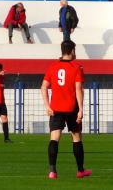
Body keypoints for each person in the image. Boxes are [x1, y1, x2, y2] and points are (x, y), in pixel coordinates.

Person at [41, 40, 91, 179]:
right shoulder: (76, 67)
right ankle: (80, 170)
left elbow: (43, 87)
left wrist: (47, 106)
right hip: (71, 108)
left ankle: (52, 171)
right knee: (76, 137)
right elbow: (78, 89)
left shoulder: (53, 67)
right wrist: (81, 109)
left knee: (54, 138)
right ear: (72, 51)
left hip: (56, 108)